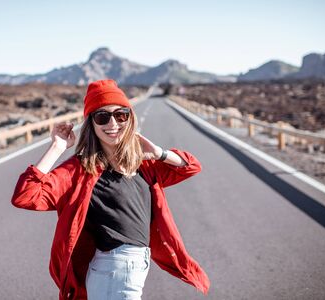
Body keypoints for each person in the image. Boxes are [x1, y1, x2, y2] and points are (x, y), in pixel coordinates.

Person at [11, 79, 210, 300]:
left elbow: (190, 166)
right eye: (102, 116)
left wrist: (159, 153)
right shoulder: (79, 169)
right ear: (92, 124)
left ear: (130, 118)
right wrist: (57, 147)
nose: (113, 123)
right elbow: (26, 195)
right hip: (113, 267)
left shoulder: (144, 163)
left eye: (120, 115)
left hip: (134, 265)